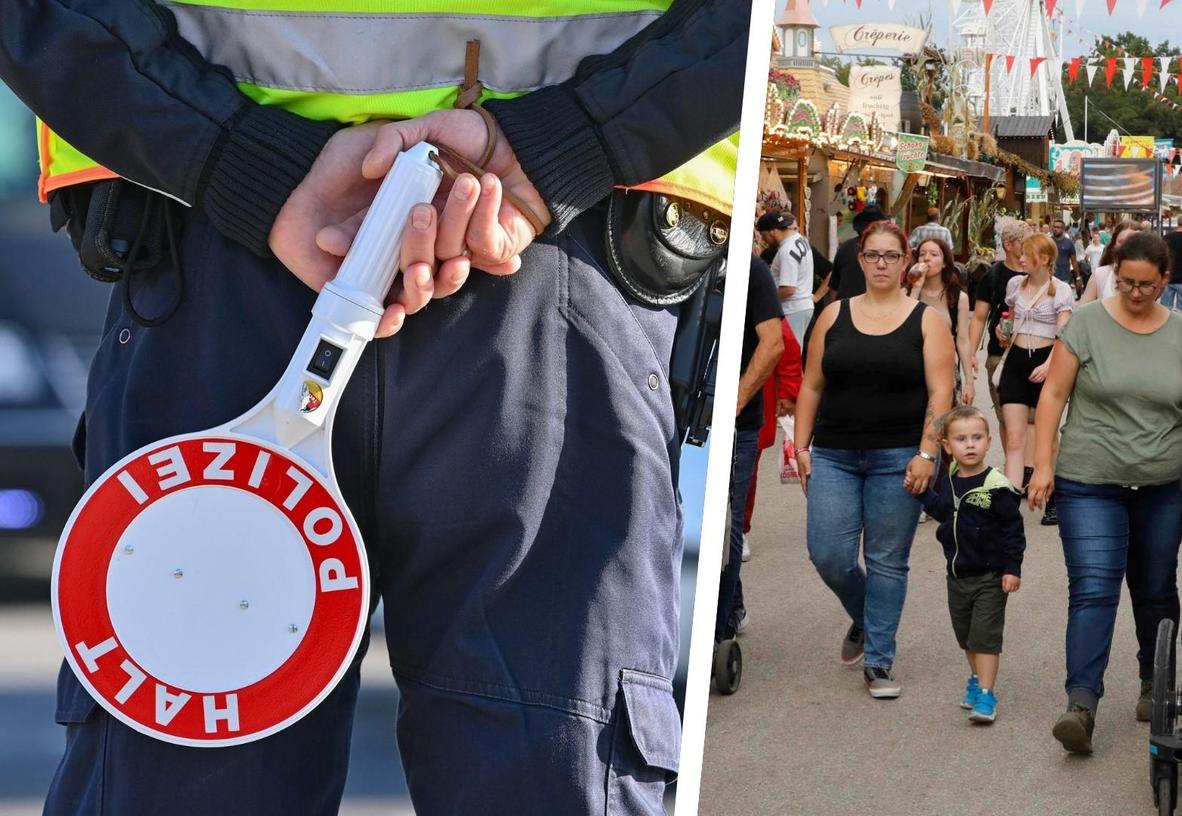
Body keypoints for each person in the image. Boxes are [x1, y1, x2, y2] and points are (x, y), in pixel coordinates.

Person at [1, 1, 745, 812]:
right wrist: (575, 139)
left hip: (227, 250)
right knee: (561, 766)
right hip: (551, 262)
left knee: (187, 757)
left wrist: (227, 151)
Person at [1025, 232, 1182, 754]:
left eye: (1147, 284)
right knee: (1094, 588)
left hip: (1161, 482)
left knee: (1154, 586)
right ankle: (1081, 703)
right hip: (1090, 479)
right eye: (1126, 282)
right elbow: (1055, 392)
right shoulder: (1087, 322)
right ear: (1113, 274)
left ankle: (1155, 678)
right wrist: (1043, 465)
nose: (1135, 292)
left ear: (1166, 280)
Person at [795, 220, 955, 699]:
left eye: (891, 255)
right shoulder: (832, 315)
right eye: (873, 255)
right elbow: (810, 386)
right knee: (829, 554)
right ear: (859, 260)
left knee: (887, 559)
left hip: (899, 455)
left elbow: (941, 392)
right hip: (834, 453)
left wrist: (928, 452)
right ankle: (867, 617)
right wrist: (801, 447)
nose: (882, 263)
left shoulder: (926, 320)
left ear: (906, 262)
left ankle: (880, 660)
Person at [918, 406, 1025, 724]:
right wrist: (920, 493)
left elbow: (1013, 530)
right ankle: (976, 679)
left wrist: (1012, 568)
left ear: (989, 441)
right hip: (957, 575)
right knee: (965, 636)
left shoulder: (996, 485)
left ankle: (987, 695)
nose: (970, 445)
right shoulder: (951, 481)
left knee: (985, 637)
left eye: (977, 438)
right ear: (947, 446)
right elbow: (942, 511)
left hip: (991, 576)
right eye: (961, 439)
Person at [718, 256, 785, 642]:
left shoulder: (751, 269)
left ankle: (721, 628)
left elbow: (773, 342)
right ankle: (733, 604)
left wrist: (736, 400)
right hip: (684, 412)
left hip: (738, 423)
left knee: (726, 523)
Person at [996, 234, 1075, 490]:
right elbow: (1010, 319)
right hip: (1016, 361)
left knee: (1048, 437)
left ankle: (1052, 492)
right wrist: (1002, 330)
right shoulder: (1015, 284)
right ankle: (1008, 499)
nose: (1020, 259)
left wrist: (1050, 364)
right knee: (1015, 438)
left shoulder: (1061, 289)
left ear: (1043, 259)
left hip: (1047, 361)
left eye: (1025, 255)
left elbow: (1063, 335)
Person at [740, 320, 803, 567]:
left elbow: (784, 341)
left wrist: (788, 392)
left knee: (745, 472)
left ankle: (741, 530)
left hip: (752, 403)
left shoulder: (756, 284)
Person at [964, 218, 1029, 416]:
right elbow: (979, 317)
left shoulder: (1037, 273)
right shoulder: (992, 276)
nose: (1029, 247)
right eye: (1024, 242)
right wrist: (971, 353)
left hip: (1032, 353)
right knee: (1006, 417)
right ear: (1008, 245)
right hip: (999, 354)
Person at [906, 238, 974, 402]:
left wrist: (969, 382)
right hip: (911, 367)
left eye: (934, 254)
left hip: (944, 370)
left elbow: (963, 340)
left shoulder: (958, 298)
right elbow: (905, 326)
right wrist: (915, 288)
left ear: (944, 263)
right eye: (922, 254)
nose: (926, 258)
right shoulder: (905, 293)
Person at [758, 211, 816, 344]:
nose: (763, 240)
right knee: (793, 352)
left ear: (772, 231)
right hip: (802, 305)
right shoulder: (800, 239)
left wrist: (765, 299)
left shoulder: (787, 250)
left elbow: (788, 289)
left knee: (789, 355)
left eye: (763, 234)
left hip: (793, 308)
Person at [832, 206, 890, 301]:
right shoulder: (888, 250)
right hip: (873, 307)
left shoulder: (845, 247)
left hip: (846, 308)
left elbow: (834, 287)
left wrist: (836, 310)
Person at [1078, 220, 1140, 305]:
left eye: (1132, 242)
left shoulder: (1151, 275)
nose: (1127, 246)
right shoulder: (1100, 274)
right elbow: (1081, 312)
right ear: (1114, 245)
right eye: (1121, 242)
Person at [1051, 218, 1080, 291]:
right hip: (1050, 277)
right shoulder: (1048, 241)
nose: (1055, 229)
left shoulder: (1069, 243)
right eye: (1054, 227)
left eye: (1058, 227)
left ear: (1063, 229)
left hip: (1064, 277)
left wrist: (1078, 278)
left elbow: (1074, 261)